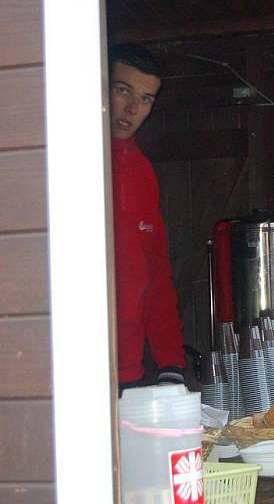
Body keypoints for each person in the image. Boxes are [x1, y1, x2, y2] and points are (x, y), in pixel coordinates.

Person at [110, 44, 186, 390]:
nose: (132, 109)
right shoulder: (66, 154)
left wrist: (171, 361)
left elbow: (156, 272)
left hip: (129, 369)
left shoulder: (142, 171)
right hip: (67, 361)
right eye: (122, 90)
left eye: (146, 99)